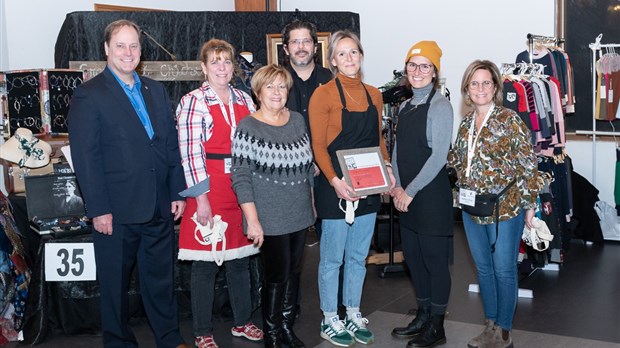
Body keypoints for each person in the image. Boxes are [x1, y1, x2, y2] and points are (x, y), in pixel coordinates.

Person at [67, 19, 190, 348]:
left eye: (133, 45)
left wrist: (177, 191)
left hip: (158, 205)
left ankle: (169, 337)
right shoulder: (88, 95)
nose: (128, 52)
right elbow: (86, 158)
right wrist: (99, 208)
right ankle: (119, 343)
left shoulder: (156, 89)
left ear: (141, 50)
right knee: (114, 285)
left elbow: (168, 145)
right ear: (106, 49)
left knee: (161, 281)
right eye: (120, 45)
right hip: (115, 211)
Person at [308, 30, 395, 347]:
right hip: (336, 186)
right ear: (332, 60)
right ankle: (330, 317)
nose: (349, 58)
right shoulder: (323, 95)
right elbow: (318, 146)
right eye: (342, 53)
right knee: (333, 259)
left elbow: (378, 139)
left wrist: (386, 167)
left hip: (368, 185)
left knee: (358, 258)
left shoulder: (374, 93)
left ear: (361, 56)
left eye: (354, 52)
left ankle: (353, 312)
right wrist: (334, 181)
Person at [176, 39, 263, 348]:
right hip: (209, 189)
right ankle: (202, 331)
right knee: (204, 266)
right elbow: (189, 153)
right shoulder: (193, 101)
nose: (222, 67)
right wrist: (201, 199)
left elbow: (255, 146)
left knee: (240, 262)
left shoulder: (245, 99)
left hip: (240, 189)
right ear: (204, 67)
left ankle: (242, 322)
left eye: (226, 61)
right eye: (215, 62)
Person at [447, 60, 539, 348]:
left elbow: (528, 164)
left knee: (504, 269)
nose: (480, 88)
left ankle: (504, 330)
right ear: (467, 89)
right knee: (484, 270)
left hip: (505, 209)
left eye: (486, 82)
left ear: (496, 87)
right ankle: (489, 325)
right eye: (474, 83)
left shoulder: (509, 120)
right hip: (471, 209)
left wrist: (530, 204)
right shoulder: (464, 126)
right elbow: (457, 163)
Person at [231, 64, 315, 348]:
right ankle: (273, 335)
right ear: (258, 91)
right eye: (270, 87)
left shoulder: (297, 121)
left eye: (282, 86)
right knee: (276, 276)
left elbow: (306, 168)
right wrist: (252, 221)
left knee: (293, 274)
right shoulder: (248, 127)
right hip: (269, 216)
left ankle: (287, 328)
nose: (277, 92)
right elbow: (240, 178)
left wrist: (311, 206)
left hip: (299, 213)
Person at [390, 41, 454, 348]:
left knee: (434, 262)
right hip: (407, 196)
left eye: (425, 66)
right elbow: (398, 150)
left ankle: (437, 326)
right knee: (414, 259)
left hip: (429, 198)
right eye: (413, 65)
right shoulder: (404, 106)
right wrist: (396, 185)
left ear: (434, 72)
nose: (418, 71)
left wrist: (410, 191)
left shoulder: (440, 106)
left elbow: (438, 156)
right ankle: (423, 314)